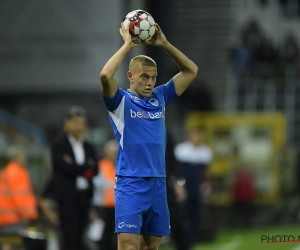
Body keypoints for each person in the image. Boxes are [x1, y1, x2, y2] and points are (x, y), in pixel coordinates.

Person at [100, 21, 198, 250]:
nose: (150, 82)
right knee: (128, 246)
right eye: (144, 77)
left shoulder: (160, 97)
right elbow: (105, 75)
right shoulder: (119, 101)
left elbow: (191, 70)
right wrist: (127, 45)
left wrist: (164, 44)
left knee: (150, 247)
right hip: (130, 182)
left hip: (158, 182)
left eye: (153, 77)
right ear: (130, 76)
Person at [49, 105, 98, 250]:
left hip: (84, 196)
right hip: (67, 198)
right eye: (75, 121)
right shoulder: (59, 144)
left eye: (81, 122)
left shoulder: (88, 146)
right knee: (69, 237)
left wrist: (76, 167)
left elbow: (94, 170)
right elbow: (64, 168)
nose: (78, 125)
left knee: (81, 236)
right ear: (67, 123)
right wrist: (84, 167)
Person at [174, 127, 213, 248]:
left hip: (197, 187)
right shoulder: (181, 150)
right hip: (184, 186)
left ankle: (192, 241)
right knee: (182, 215)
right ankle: (181, 241)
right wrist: (179, 186)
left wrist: (206, 185)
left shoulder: (205, 151)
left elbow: (206, 173)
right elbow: (176, 171)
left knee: (195, 216)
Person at [0, 146, 38, 234]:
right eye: (24, 156)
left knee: (6, 243)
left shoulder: (5, 171)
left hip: (3, 218)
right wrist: (27, 216)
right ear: (18, 157)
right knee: (15, 244)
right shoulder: (19, 173)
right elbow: (20, 197)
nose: (26, 158)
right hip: (14, 219)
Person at [91, 139, 118, 250]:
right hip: (102, 207)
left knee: (116, 238)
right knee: (102, 238)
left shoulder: (122, 166)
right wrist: (91, 209)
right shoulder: (100, 166)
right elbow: (92, 187)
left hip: (118, 208)